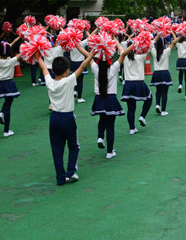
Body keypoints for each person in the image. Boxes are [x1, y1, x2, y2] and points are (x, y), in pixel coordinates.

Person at [37, 48, 94, 185]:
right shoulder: (68, 81)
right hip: (67, 118)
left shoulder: (50, 82)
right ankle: (71, 172)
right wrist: (93, 53)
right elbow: (83, 66)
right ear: (67, 70)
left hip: (54, 119)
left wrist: (37, 55)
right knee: (74, 146)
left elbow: (44, 67)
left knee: (57, 149)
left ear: (53, 71)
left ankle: (60, 178)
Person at [91, 45, 130, 160]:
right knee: (110, 126)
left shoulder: (95, 68)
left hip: (99, 99)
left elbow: (87, 56)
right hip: (111, 99)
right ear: (110, 58)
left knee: (102, 119)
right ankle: (109, 151)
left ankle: (100, 137)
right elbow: (123, 53)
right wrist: (135, 43)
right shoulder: (114, 68)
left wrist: (94, 50)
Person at [118, 38, 152, 134]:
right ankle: (142, 116)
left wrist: (113, 37)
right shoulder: (140, 57)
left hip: (128, 84)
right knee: (149, 98)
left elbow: (119, 47)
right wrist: (155, 35)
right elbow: (149, 46)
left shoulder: (123, 57)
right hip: (139, 83)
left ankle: (132, 128)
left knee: (131, 107)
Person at [151, 34, 182, 116]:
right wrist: (181, 35)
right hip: (164, 73)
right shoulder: (166, 51)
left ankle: (158, 104)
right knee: (164, 93)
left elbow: (151, 43)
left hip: (156, 73)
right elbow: (174, 43)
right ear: (164, 44)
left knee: (158, 91)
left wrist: (158, 35)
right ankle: (163, 110)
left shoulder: (154, 52)